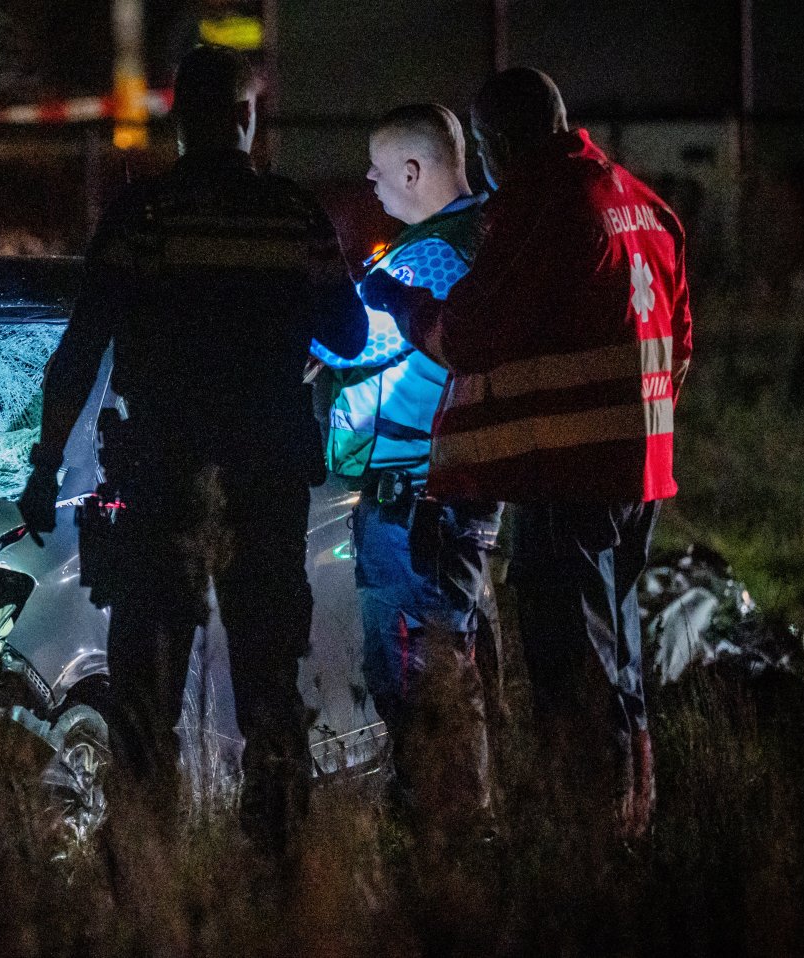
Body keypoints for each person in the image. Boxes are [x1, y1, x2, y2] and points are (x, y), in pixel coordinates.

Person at [16, 44, 366, 850]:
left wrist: (44, 466)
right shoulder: (292, 214)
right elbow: (346, 331)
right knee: (271, 682)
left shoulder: (142, 218)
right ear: (249, 119)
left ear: (177, 122)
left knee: (148, 686)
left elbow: (80, 349)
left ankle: (146, 859)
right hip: (267, 477)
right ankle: (278, 862)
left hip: (160, 471)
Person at [362, 67, 693, 840]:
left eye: (483, 148)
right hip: (635, 473)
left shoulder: (542, 208)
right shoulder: (644, 204)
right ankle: (632, 819)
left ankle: (586, 839)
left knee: (572, 666)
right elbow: (679, 349)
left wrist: (402, 306)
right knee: (620, 659)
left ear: (500, 142)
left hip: (564, 472)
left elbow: (469, 336)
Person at [312, 103, 501, 829]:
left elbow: (344, 341)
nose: (368, 178)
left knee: (420, 672)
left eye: (379, 167)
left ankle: (445, 831)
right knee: (444, 660)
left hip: (415, 505)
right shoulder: (480, 237)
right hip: (447, 495)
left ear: (415, 172)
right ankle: (455, 824)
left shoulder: (429, 256)